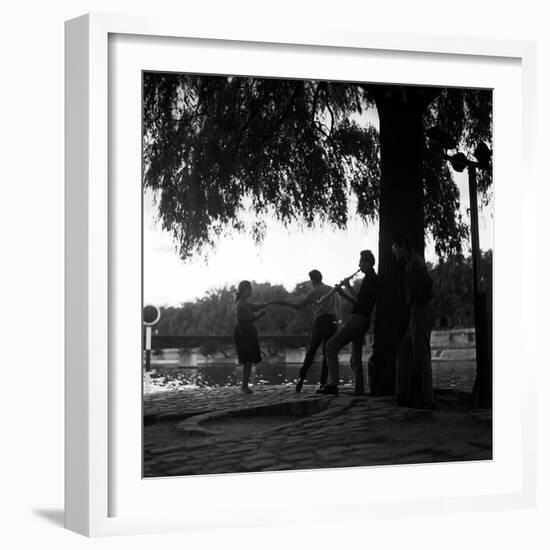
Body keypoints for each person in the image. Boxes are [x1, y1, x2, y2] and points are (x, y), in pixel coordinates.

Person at [319, 250, 379, 396]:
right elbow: (360, 304)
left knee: (330, 346)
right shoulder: (370, 278)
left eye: (361, 262)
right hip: (362, 320)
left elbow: (360, 301)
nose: (358, 265)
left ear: (367, 262)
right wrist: (343, 293)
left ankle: (333, 384)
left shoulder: (371, 279)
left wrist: (348, 286)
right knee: (355, 358)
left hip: (357, 320)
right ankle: (359, 390)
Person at [269, 270, 338, 393]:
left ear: (313, 280)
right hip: (333, 322)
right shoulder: (332, 290)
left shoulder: (314, 291)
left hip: (321, 321)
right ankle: (323, 383)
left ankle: (301, 378)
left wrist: (285, 303)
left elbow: (300, 306)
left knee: (312, 350)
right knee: (328, 353)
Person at [392, 238, 435, 409]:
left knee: (421, 356)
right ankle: (404, 394)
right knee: (403, 352)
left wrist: (416, 304)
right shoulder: (412, 262)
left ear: (403, 245)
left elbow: (427, 284)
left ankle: (426, 400)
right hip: (417, 312)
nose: (393, 252)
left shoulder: (415, 263)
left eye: (395, 247)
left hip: (421, 311)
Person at [233, 280, 267, 394]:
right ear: (244, 290)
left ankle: (245, 386)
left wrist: (260, 316)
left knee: (249, 360)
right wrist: (265, 305)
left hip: (248, 331)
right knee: (247, 359)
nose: (251, 290)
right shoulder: (241, 303)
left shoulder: (244, 303)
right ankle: (244, 387)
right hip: (243, 332)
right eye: (250, 288)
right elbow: (254, 307)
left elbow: (250, 319)